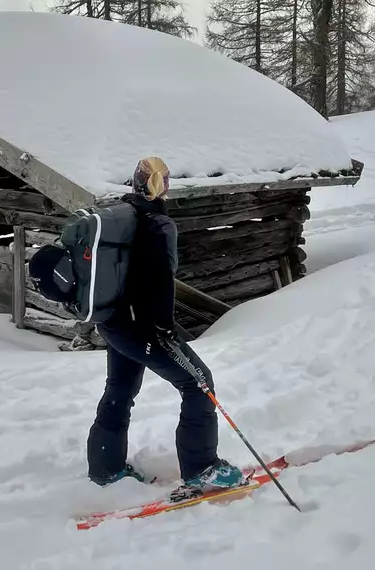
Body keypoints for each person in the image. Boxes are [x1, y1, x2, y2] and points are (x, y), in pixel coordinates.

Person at [86, 156, 243, 494]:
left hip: (113, 322)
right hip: (140, 327)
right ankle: (202, 469)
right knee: (199, 383)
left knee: (120, 389)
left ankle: (105, 469)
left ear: (133, 184)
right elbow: (161, 280)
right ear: (164, 186)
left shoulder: (121, 215)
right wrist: (164, 326)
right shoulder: (158, 224)